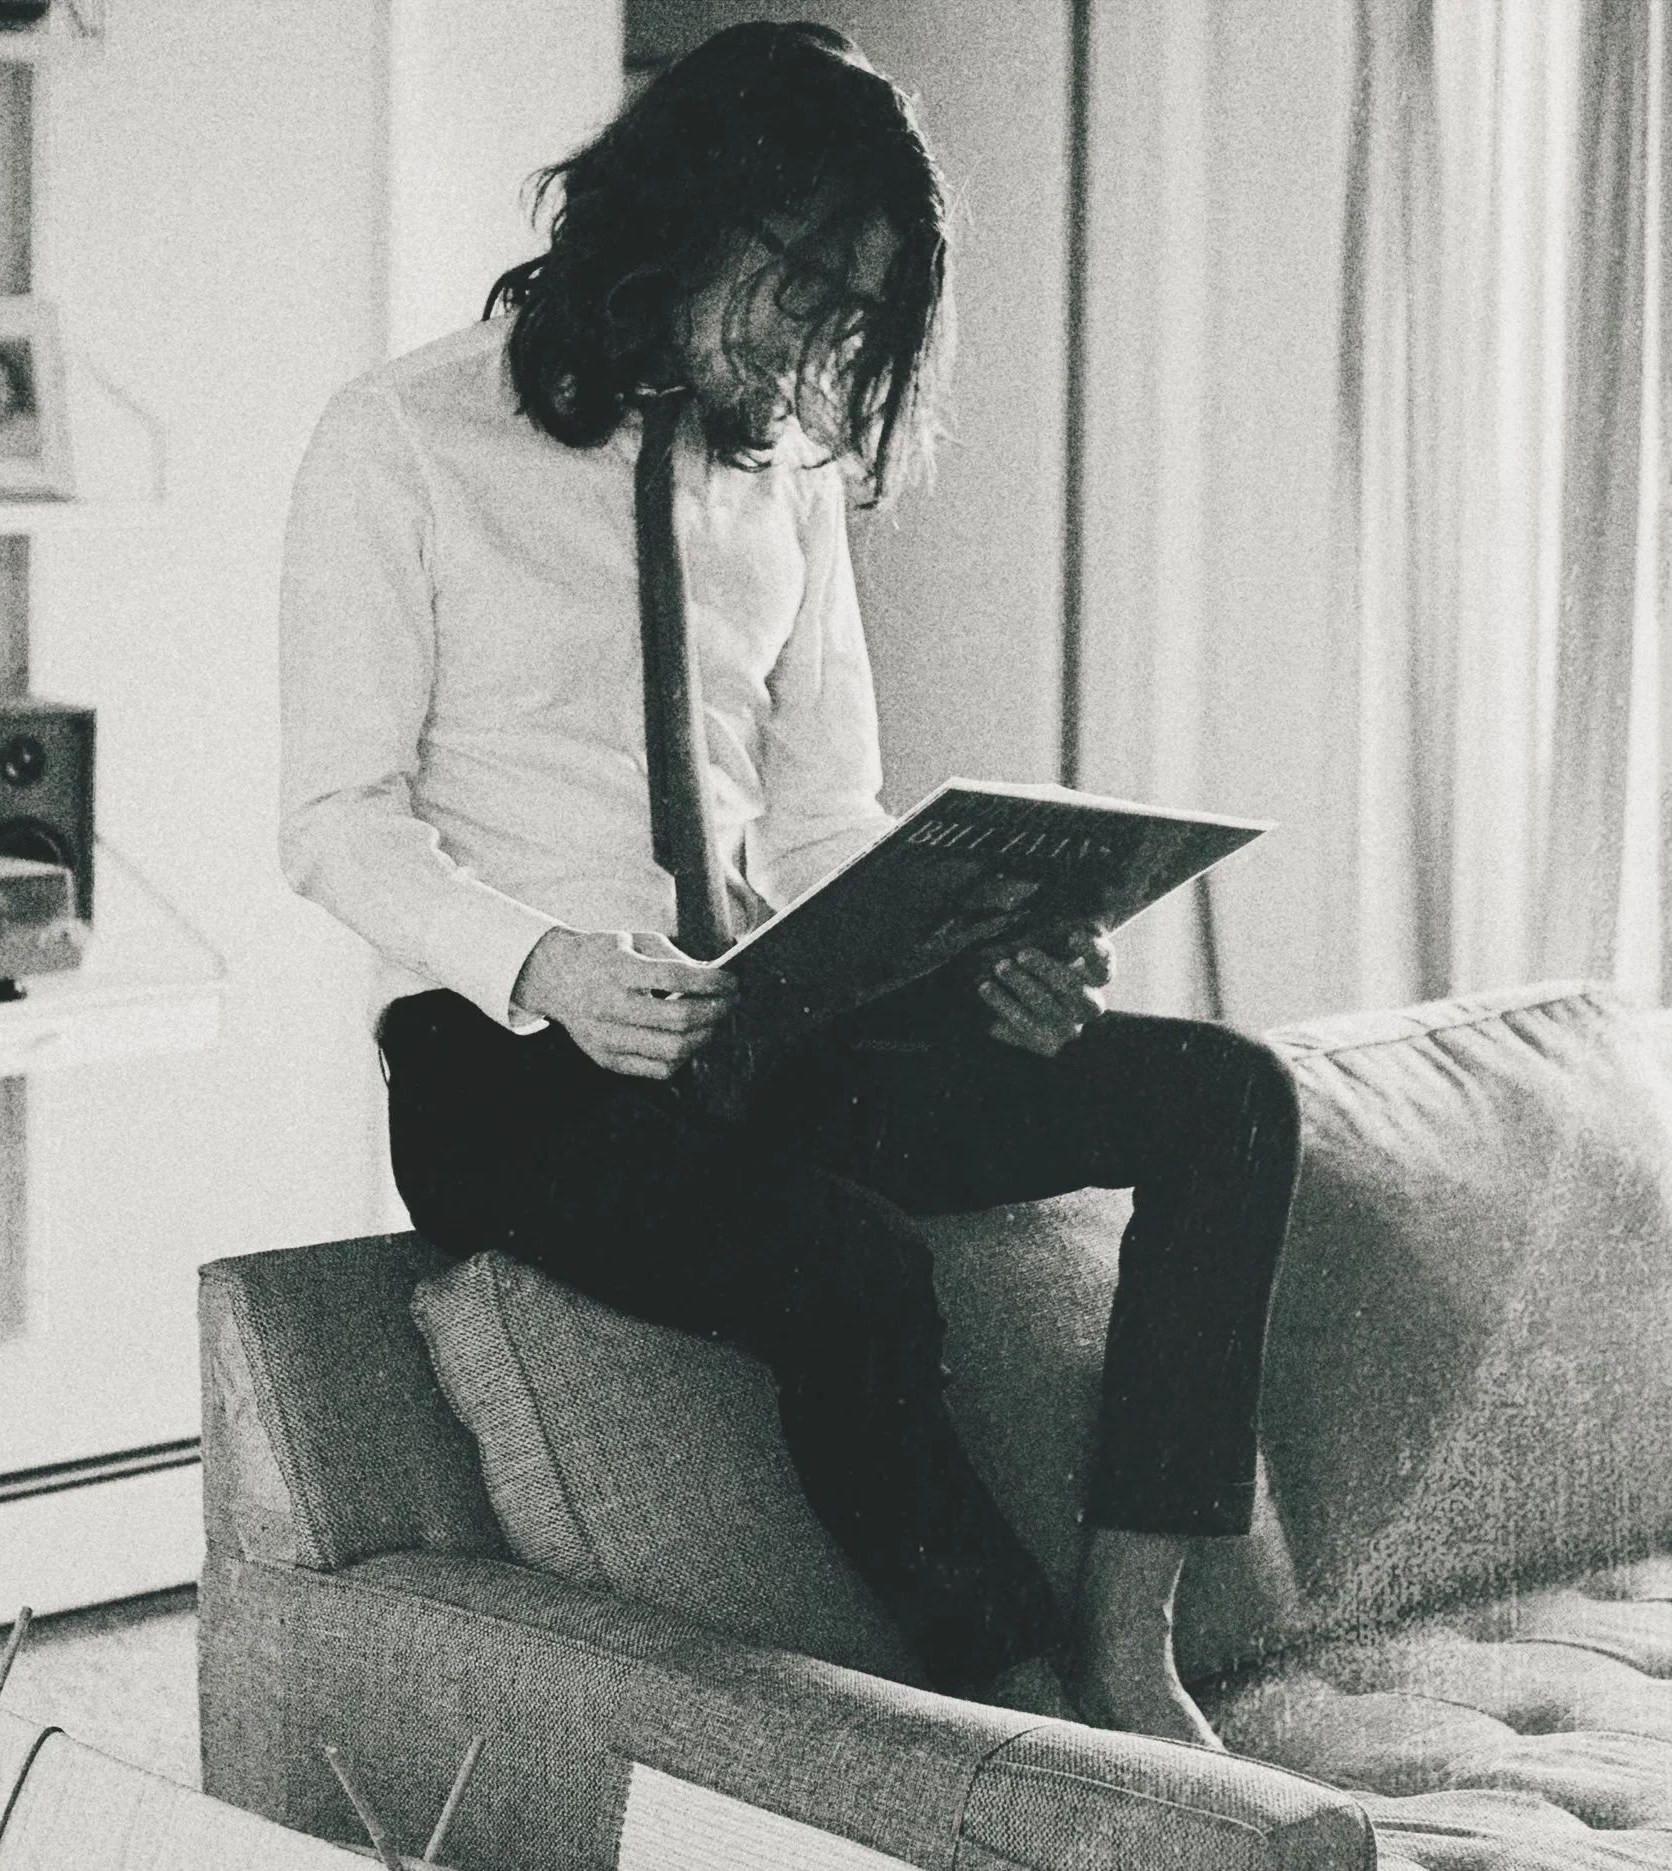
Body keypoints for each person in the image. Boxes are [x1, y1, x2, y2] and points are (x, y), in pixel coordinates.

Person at [276, 20, 1298, 1749]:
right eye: (805, 284)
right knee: (852, 1271)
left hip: (767, 1027)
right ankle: (1025, 1698)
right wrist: (544, 964)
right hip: (507, 1068)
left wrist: (981, 943)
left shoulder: (788, 477)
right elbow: (333, 817)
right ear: (678, 208)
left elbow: (823, 811)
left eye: (856, 313)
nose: (822, 342)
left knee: (1229, 1096)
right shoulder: (400, 438)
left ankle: (1137, 1646)